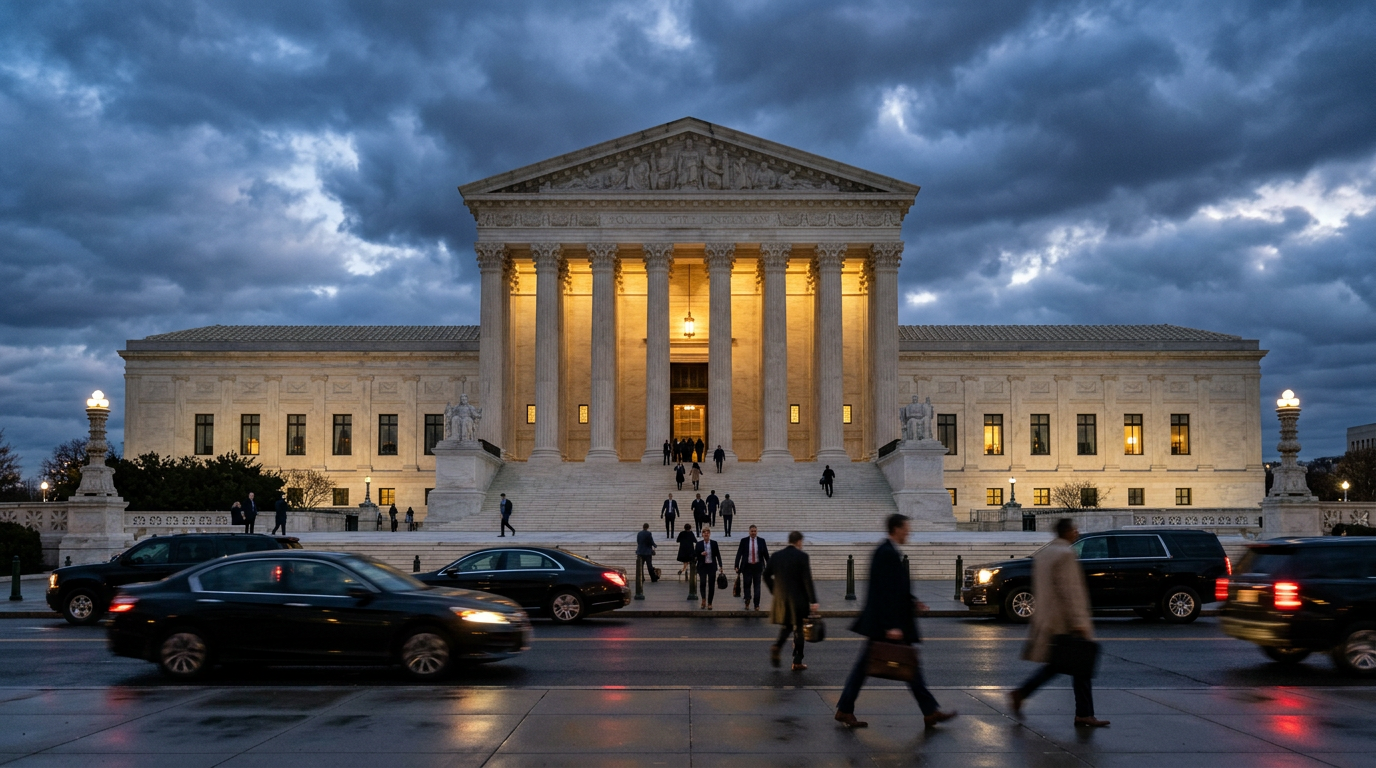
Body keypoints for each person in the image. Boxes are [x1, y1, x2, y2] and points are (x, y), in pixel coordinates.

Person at [835, 513, 957, 730]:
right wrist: (892, 625)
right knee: (904, 666)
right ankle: (930, 711)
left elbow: (895, 587)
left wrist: (913, 601)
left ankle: (929, 712)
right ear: (896, 529)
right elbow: (883, 592)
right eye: (906, 528)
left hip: (888, 622)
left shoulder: (888, 551)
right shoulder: (886, 553)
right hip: (888, 624)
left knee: (902, 667)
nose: (909, 532)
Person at [1009, 518, 1110, 728]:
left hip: (1048, 617)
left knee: (1058, 665)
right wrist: (1079, 621)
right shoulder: (1066, 554)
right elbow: (1070, 590)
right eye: (1074, 529)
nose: (1077, 532)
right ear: (1068, 532)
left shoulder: (1045, 553)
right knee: (1079, 665)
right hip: (1065, 620)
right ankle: (1083, 714)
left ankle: (1023, 693)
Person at [763, 531, 817, 671]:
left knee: (787, 626)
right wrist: (813, 600)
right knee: (799, 629)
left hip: (781, 600)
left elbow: (766, 575)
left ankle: (777, 646)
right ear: (799, 541)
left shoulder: (776, 556)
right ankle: (797, 661)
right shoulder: (802, 557)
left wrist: (775, 590)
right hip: (798, 600)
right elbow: (807, 580)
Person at [735, 525, 769, 611]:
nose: (753, 533)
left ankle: (756, 604)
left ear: (756, 532)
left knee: (757, 587)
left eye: (754, 531)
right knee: (747, 585)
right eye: (752, 531)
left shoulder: (761, 541)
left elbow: (766, 555)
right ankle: (747, 600)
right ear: (749, 532)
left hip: (757, 567)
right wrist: (736, 565)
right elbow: (739, 553)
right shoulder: (744, 541)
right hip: (747, 567)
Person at [694, 527, 723, 609]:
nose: (706, 534)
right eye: (704, 533)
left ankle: (710, 602)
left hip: (711, 566)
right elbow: (695, 555)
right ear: (702, 534)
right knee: (702, 583)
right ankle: (703, 599)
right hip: (702, 566)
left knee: (711, 585)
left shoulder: (714, 543)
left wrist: (721, 565)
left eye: (707, 533)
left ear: (709, 534)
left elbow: (718, 554)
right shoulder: (698, 544)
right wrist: (701, 554)